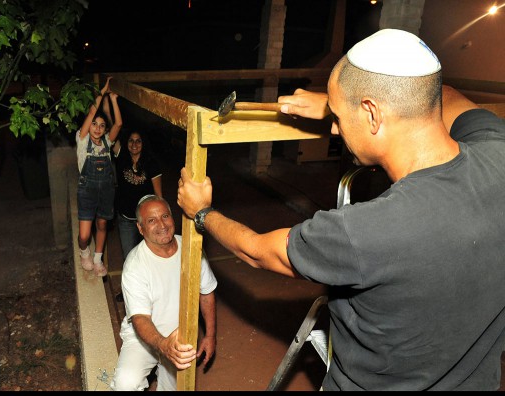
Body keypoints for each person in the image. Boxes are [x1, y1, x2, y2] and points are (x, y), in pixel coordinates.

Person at [177, 28, 505, 391]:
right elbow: (438, 94)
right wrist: (335, 101)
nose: (333, 129)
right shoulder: (498, 153)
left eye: (336, 116)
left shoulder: (367, 231)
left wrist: (202, 212)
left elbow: (256, 251)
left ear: (372, 113)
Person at [110, 195, 217, 391]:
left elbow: (206, 293)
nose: (161, 224)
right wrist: (162, 344)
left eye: (165, 216)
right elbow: (140, 318)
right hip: (143, 338)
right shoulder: (135, 265)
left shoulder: (192, 249)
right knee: (125, 384)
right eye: (151, 220)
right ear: (141, 229)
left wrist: (210, 335)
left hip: (179, 338)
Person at [76, 77, 122, 277]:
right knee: (84, 235)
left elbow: (118, 123)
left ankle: (97, 259)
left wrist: (113, 100)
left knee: (102, 224)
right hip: (86, 190)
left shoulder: (107, 142)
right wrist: (102, 91)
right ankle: (84, 251)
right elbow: (93, 111)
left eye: (102, 125)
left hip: (106, 189)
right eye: (94, 124)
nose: (97, 128)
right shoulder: (82, 138)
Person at [112, 130, 163, 301]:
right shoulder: (121, 158)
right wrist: (109, 103)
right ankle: (128, 293)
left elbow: (158, 195)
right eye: (131, 141)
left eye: (138, 141)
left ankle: (151, 293)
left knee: (148, 257)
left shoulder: (151, 163)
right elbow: (116, 125)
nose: (134, 144)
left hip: (145, 222)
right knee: (129, 258)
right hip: (126, 219)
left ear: (143, 143)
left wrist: (161, 219)